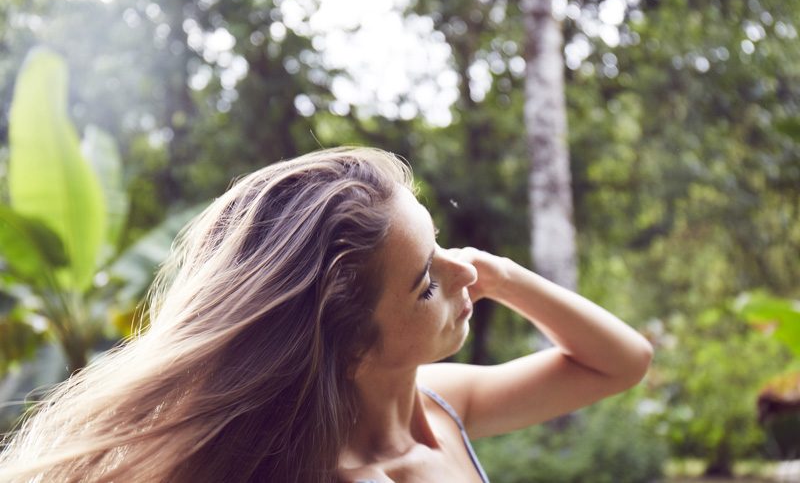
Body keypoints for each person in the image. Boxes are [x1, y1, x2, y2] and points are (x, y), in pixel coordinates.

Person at [0, 147, 653, 482]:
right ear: (352, 347)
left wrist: (496, 270)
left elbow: (622, 363)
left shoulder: (441, 406)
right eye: (426, 282)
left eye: (443, 246)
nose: (465, 275)